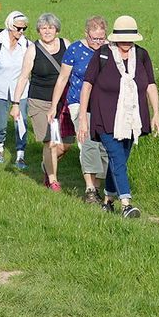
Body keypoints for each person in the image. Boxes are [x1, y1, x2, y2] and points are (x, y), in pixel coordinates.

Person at [78, 15, 159, 219]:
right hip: (105, 118)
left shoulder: (141, 55)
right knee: (117, 158)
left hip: (132, 119)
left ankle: (107, 202)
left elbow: (150, 85)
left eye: (129, 39)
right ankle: (126, 204)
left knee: (119, 160)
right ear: (115, 38)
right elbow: (87, 85)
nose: (126, 43)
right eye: (122, 38)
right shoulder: (103, 55)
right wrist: (82, 118)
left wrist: (156, 113)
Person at [48, 16, 110, 205]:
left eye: (102, 38)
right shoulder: (74, 49)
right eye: (94, 39)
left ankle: (97, 188)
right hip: (77, 102)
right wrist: (53, 106)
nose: (98, 43)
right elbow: (62, 79)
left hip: (103, 105)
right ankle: (89, 189)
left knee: (104, 148)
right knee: (88, 143)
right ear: (86, 34)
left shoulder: (110, 50)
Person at [11, 13, 71, 190]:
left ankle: (47, 164)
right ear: (39, 30)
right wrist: (15, 104)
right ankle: (52, 180)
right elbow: (23, 77)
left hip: (63, 102)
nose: (47, 31)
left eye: (50, 28)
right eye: (43, 28)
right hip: (40, 101)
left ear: (57, 29)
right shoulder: (33, 49)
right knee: (50, 142)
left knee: (65, 145)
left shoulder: (66, 45)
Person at [0, 11, 31, 168]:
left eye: (24, 28)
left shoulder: (27, 45)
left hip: (20, 90)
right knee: (1, 123)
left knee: (20, 122)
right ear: (10, 26)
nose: (21, 32)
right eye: (18, 28)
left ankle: (20, 154)